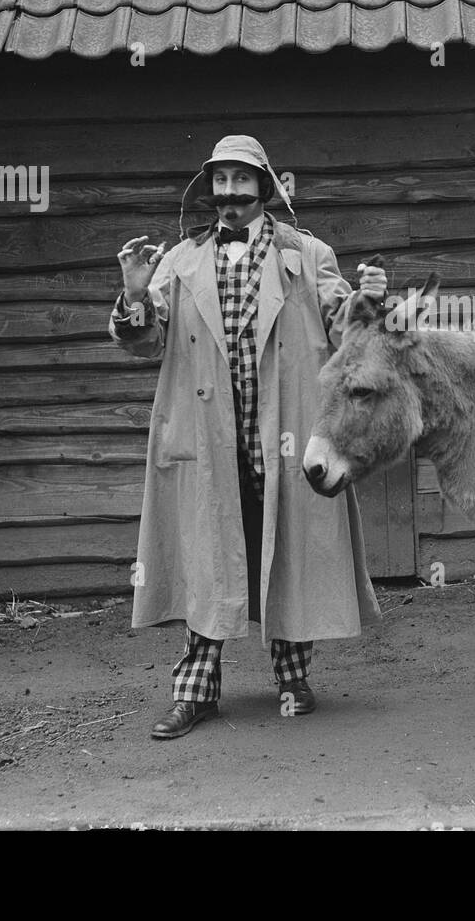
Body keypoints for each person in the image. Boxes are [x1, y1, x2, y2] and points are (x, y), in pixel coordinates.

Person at [111, 135, 385, 739]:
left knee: (286, 545)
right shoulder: (179, 261)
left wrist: (368, 302)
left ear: (263, 186)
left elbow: (347, 330)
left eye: (242, 180)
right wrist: (134, 294)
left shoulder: (308, 255)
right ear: (209, 190)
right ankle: (196, 692)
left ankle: (292, 677)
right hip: (207, 438)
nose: (230, 193)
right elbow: (145, 340)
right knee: (206, 559)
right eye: (221, 181)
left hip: (283, 432)